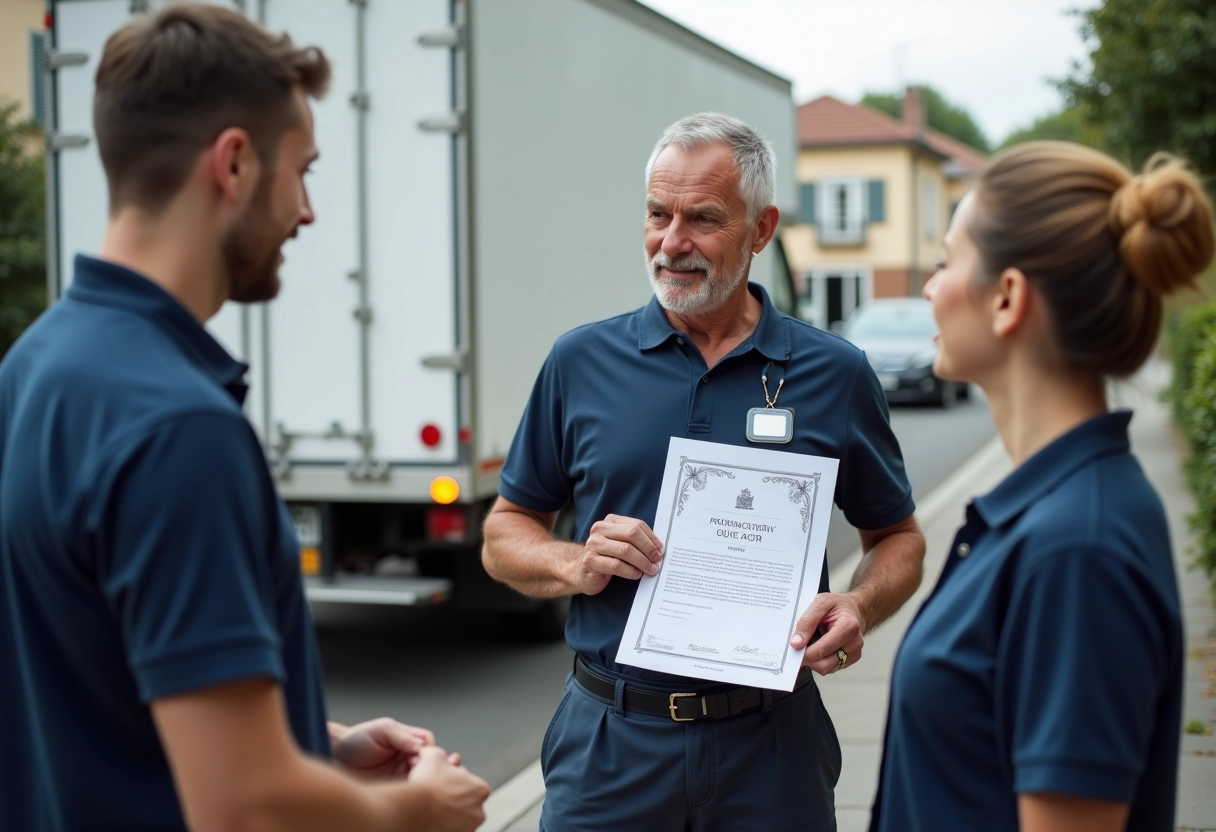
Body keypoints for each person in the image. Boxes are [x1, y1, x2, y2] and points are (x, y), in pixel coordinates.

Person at [0, 6, 489, 831]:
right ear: (232, 163)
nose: (308, 211)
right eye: (302, 170)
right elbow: (245, 807)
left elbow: (95, 672)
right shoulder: (180, 429)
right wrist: (418, 811)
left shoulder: (35, 365)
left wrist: (315, 741)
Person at [481, 112, 927, 831]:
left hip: (770, 747)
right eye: (658, 214)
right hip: (611, 748)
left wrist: (859, 605)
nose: (672, 242)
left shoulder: (834, 374)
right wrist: (573, 564)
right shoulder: (580, 362)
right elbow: (505, 532)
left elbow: (899, 537)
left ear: (761, 228)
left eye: (703, 219)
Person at [871, 142, 1215, 832]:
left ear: (1007, 298)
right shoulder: (1055, 513)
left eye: (945, 263)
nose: (931, 289)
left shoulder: (1077, 551)